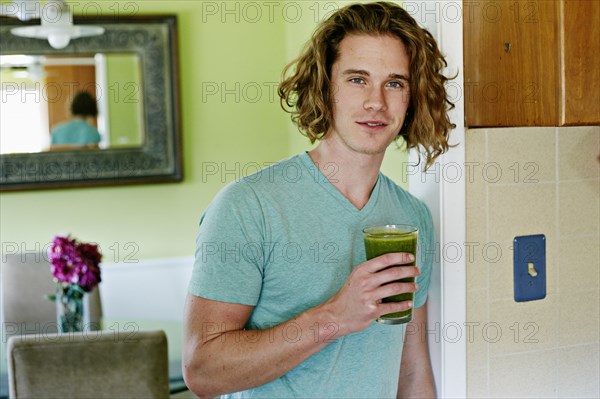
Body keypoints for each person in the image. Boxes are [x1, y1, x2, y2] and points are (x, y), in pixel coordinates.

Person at [183, 2, 454, 398]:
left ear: (412, 97)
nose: (376, 102)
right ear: (325, 87)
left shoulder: (412, 218)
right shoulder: (247, 208)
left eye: (395, 83)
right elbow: (202, 370)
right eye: (357, 79)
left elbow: (411, 371)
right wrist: (333, 318)